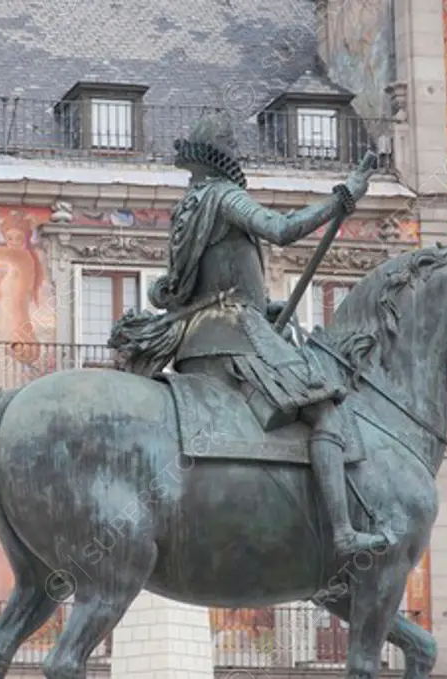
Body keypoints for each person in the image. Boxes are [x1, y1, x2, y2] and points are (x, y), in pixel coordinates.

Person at [108, 111, 387, 558]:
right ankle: (342, 532)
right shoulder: (225, 198)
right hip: (235, 339)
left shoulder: (188, 209)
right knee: (324, 413)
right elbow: (282, 231)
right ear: (224, 159)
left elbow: (200, 288)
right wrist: (342, 197)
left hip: (195, 344)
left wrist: (263, 305)